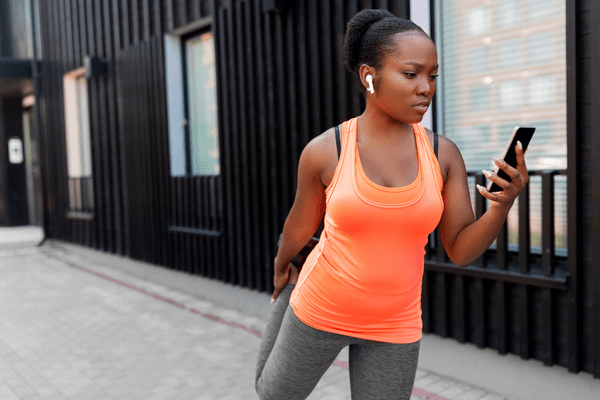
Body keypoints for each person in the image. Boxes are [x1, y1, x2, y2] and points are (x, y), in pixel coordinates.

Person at [255, 9, 529, 400]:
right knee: (272, 394)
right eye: (411, 73)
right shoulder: (325, 151)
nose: (426, 88)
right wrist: (283, 268)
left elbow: (460, 250)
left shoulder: (442, 154)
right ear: (369, 76)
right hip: (320, 307)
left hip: (395, 325)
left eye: (432, 76)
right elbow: (299, 227)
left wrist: (501, 206)